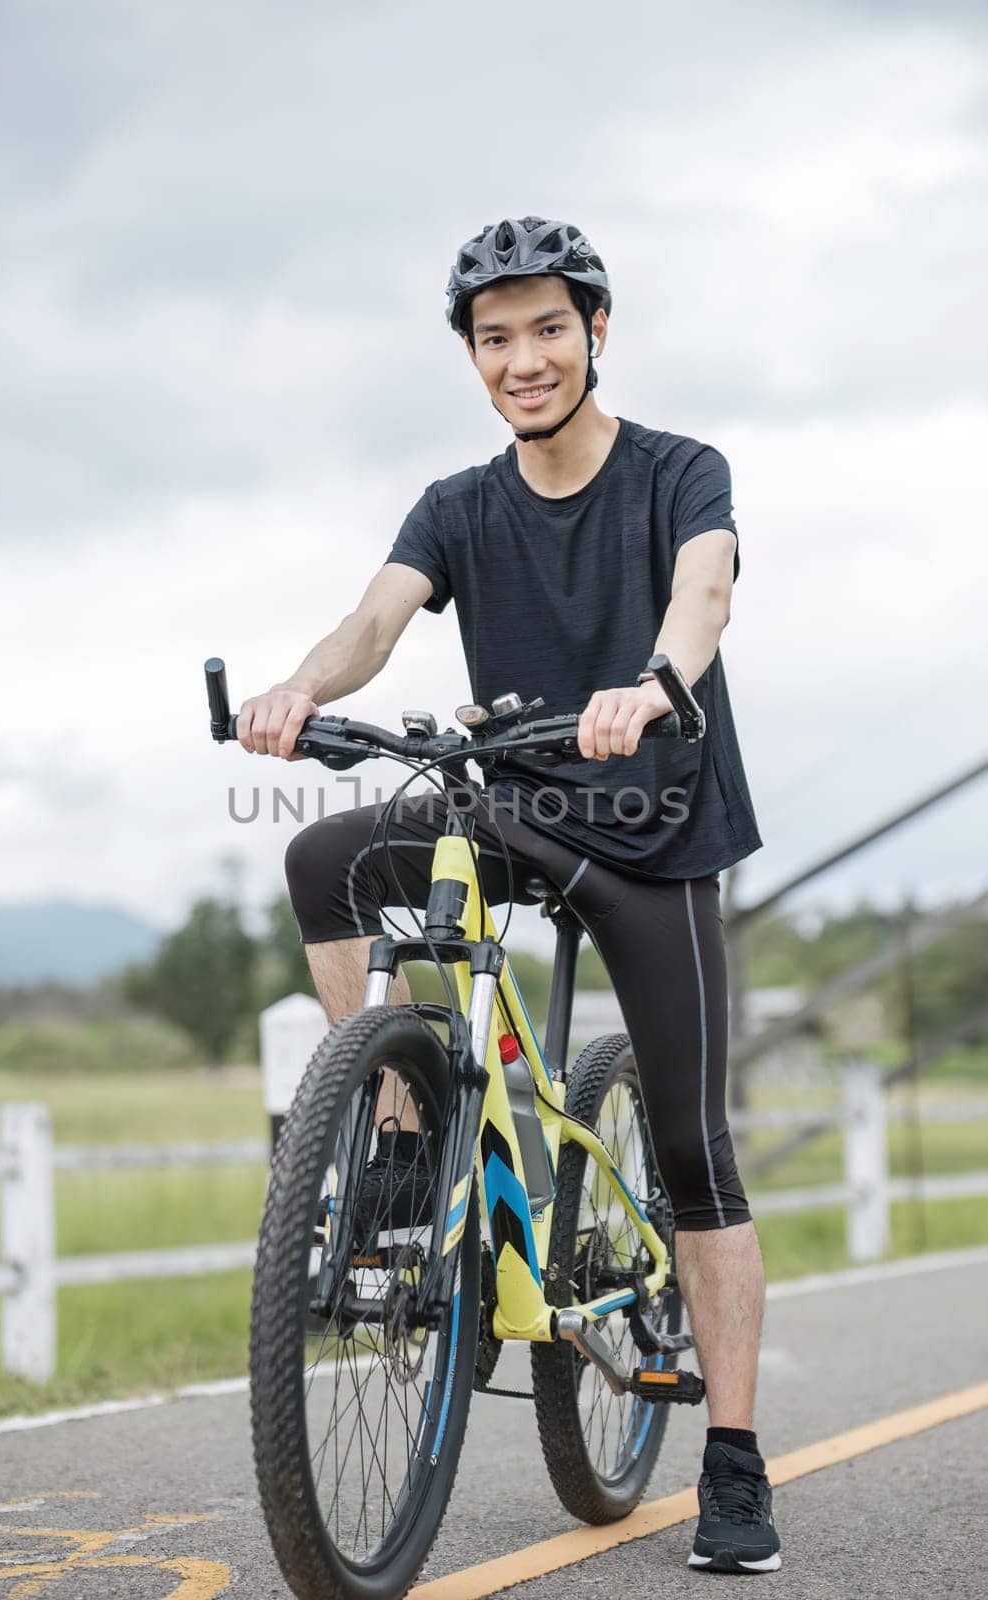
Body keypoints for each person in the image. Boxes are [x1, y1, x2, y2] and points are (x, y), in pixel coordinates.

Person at [237, 216, 781, 1575]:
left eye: (549, 328)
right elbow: (374, 620)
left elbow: (702, 594)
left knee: (698, 1151)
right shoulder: (457, 505)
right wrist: (306, 686)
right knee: (328, 857)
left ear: (597, 331)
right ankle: (411, 1117)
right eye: (496, 338)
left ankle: (732, 1456)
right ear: (473, 359)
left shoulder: (678, 473)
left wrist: (655, 684)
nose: (523, 358)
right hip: (516, 803)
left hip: (656, 825)